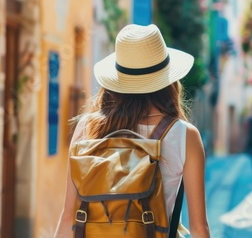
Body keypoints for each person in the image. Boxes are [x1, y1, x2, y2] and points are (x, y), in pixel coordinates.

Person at [54, 24, 210, 238]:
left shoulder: (87, 127)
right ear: (167, 79)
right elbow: (199, 228)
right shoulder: (185, 135)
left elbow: (67, 217)